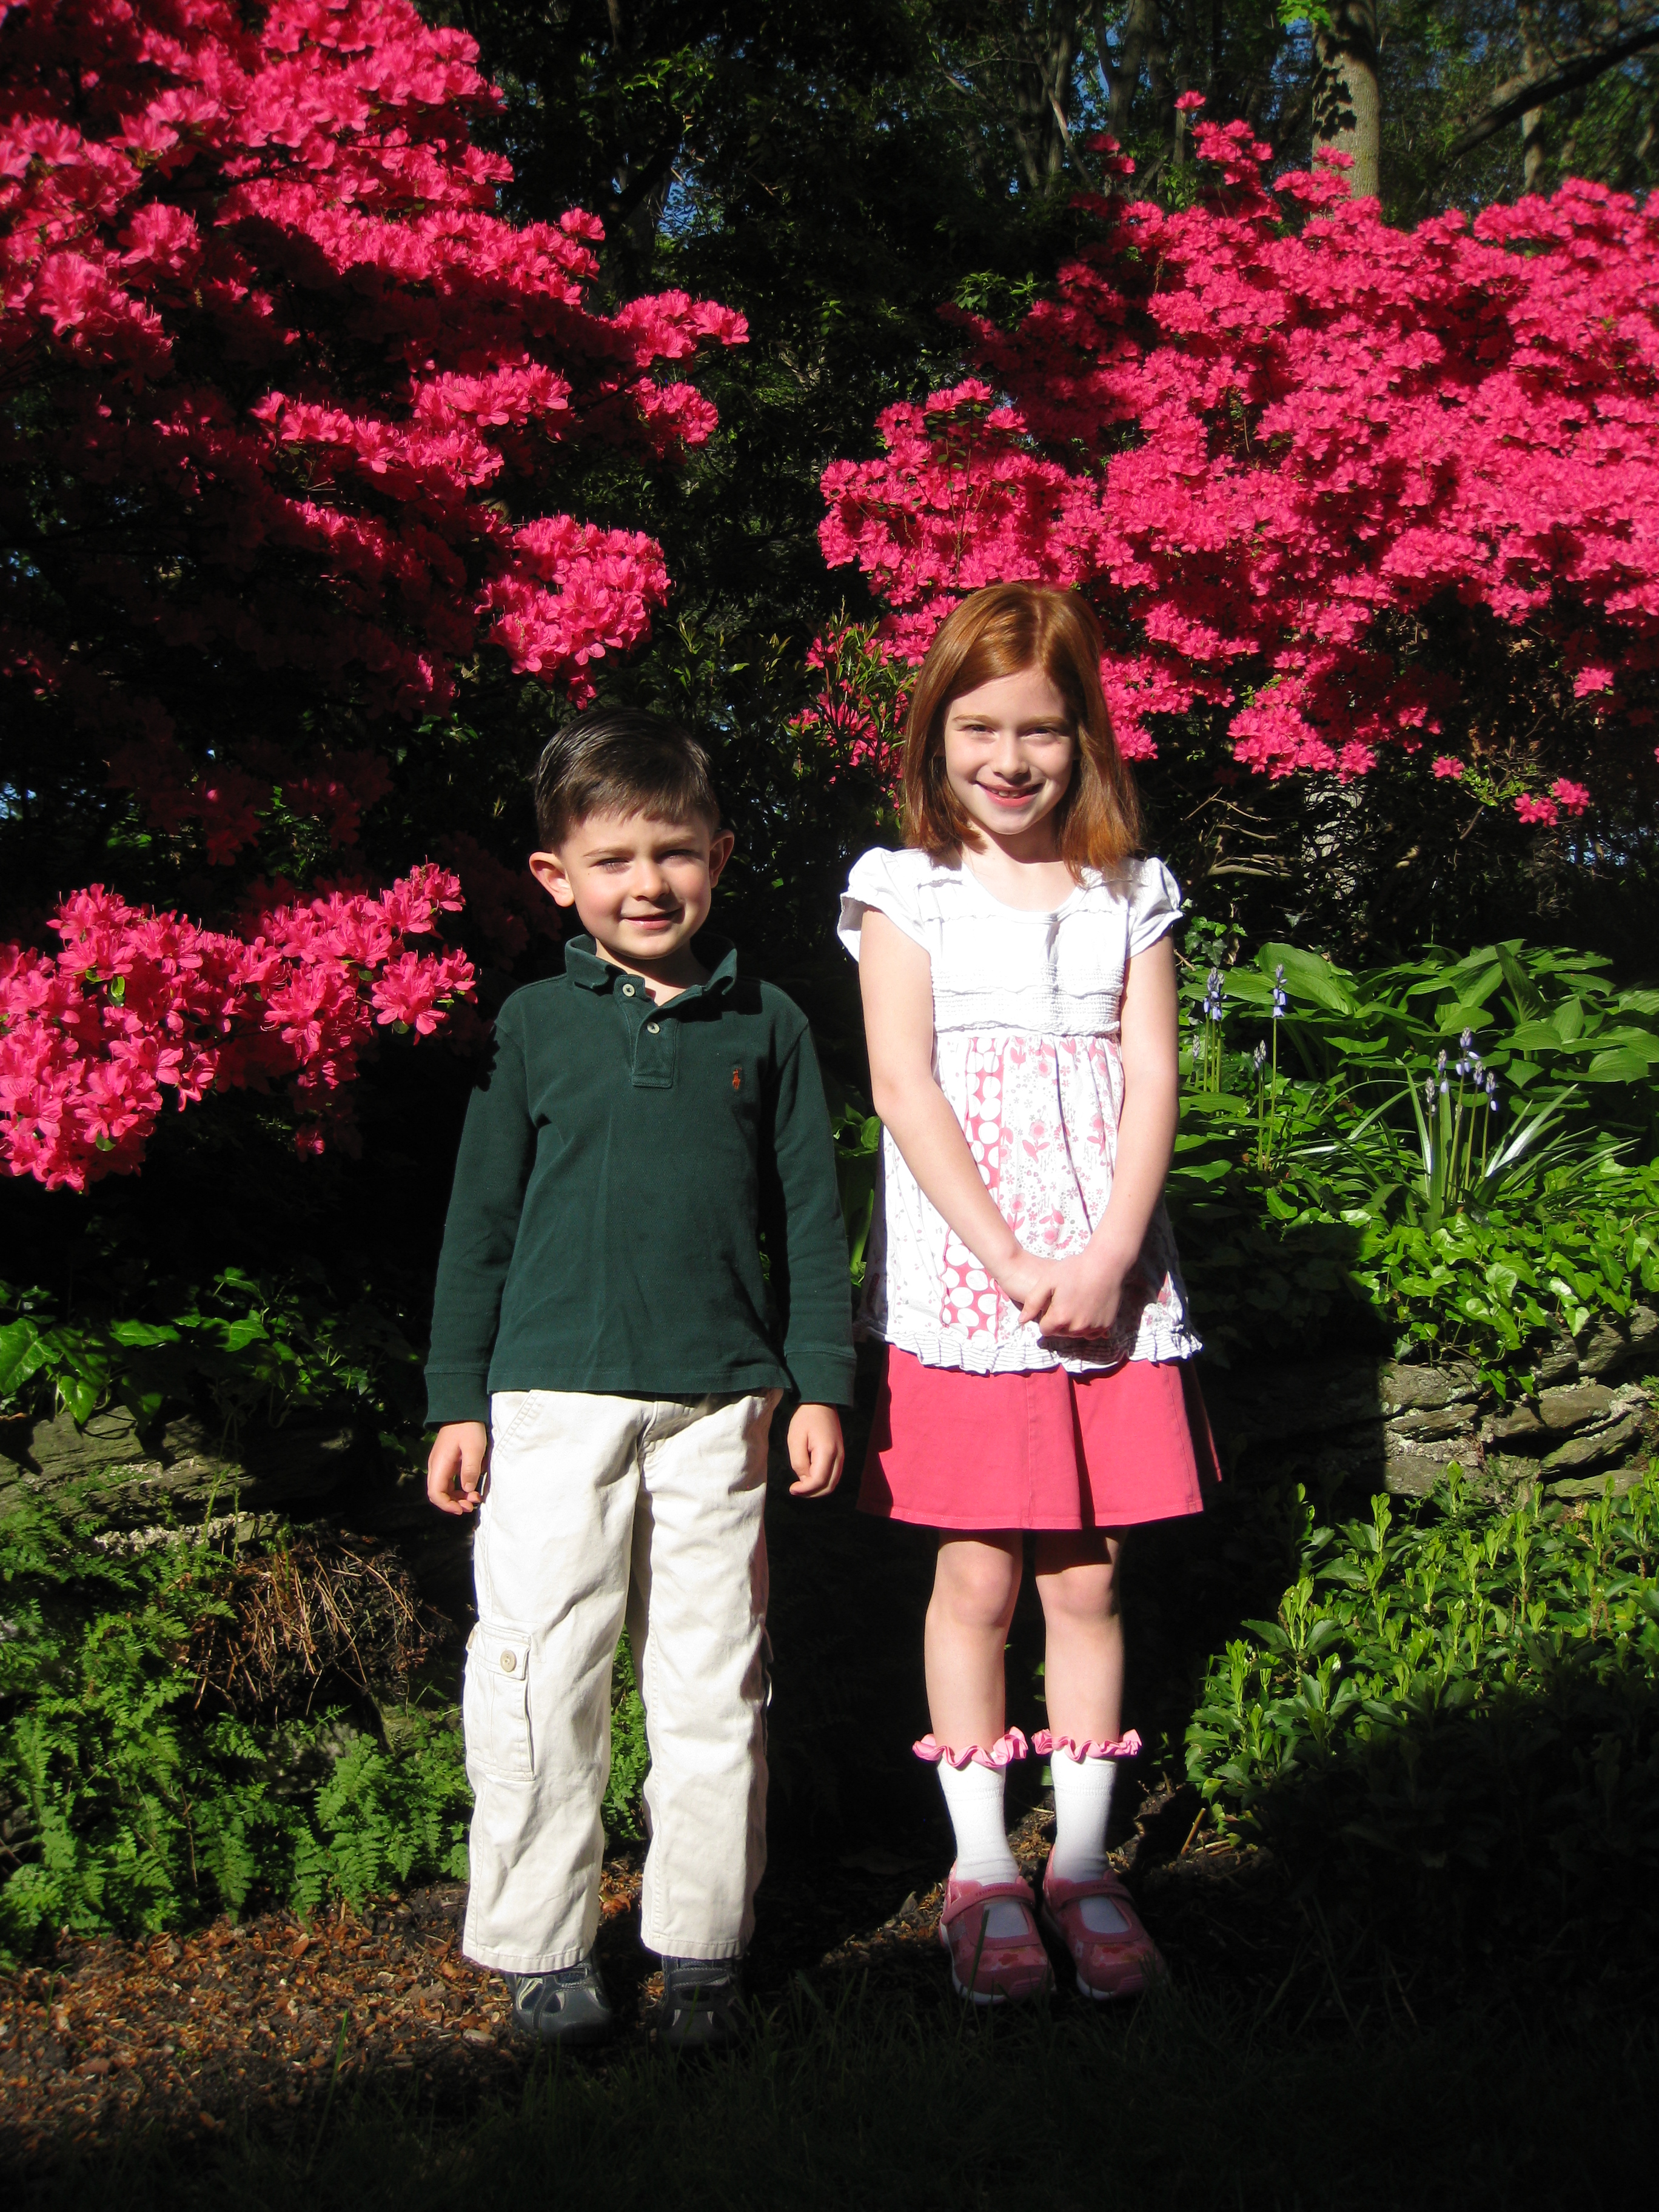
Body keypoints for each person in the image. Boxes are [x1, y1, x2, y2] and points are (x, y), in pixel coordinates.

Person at [425, 708, 854, 2049]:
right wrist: (456, 1397)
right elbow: (479, 1222)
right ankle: (541, 1945)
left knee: (714, 1681)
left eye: (675, 853)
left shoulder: (769, 1023)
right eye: (613, 860)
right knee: (542, 1673)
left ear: (719, 857)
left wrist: (820, 1382)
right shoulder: (533, 1025)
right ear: (556, 877)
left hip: (724, 1403)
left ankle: (704, 1946)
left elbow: (812, 1218)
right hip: (551, 1402)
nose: (648, 883)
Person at [839, 583, 1216, 2007]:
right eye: (979, 728)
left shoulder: (1131, 894)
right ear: (935, 740)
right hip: (969, 1289)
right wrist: (1009, 1265)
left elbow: (1153, 1080)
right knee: (980, 1578)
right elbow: (903, 1087)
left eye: (1042, 731)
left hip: (1112, 1285)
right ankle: (985, 1870)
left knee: (1092, 1576)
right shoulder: (906, 891)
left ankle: (1087, 1869)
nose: (1010, 758)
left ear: (1086, 740)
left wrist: (1111, 1256)